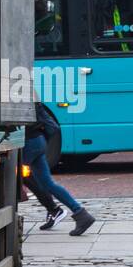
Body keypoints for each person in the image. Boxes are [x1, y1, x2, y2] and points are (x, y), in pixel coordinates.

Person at [23, 101, 95, 236]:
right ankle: (81, 214)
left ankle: (54, 210)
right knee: (47, 183)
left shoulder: (13, 96)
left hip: (28, 143)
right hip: (39, 141)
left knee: (11, 177)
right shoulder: (30, 96)